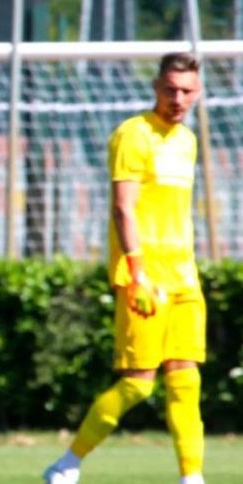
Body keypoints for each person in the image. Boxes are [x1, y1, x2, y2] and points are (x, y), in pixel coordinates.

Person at [43, 52, 207, 484]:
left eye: (186, 91)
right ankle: (66, 464)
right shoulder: (133, 134)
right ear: (155, 87)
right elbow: (124, 208)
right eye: (170, 89)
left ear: (197, 93)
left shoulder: (187, 141)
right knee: (139, 383)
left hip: (184, 276)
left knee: (186, 380)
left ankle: (192, 477)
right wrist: (137, 272)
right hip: (144, 277)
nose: (178, 98)